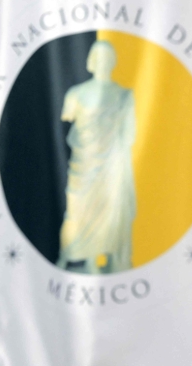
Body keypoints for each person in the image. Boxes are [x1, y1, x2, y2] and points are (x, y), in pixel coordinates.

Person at [57, 40, 136, 274]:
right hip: (83, 165)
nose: (102, 61)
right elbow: (67, 120)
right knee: (77, 211)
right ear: (90, 61)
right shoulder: (75, 94)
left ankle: (99, 259)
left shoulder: (124, 96)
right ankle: (75, 255)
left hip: (111, 167)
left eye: (106, 56)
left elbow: (129, 135)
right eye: (97, 56)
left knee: (110, 212)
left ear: (113, 62)